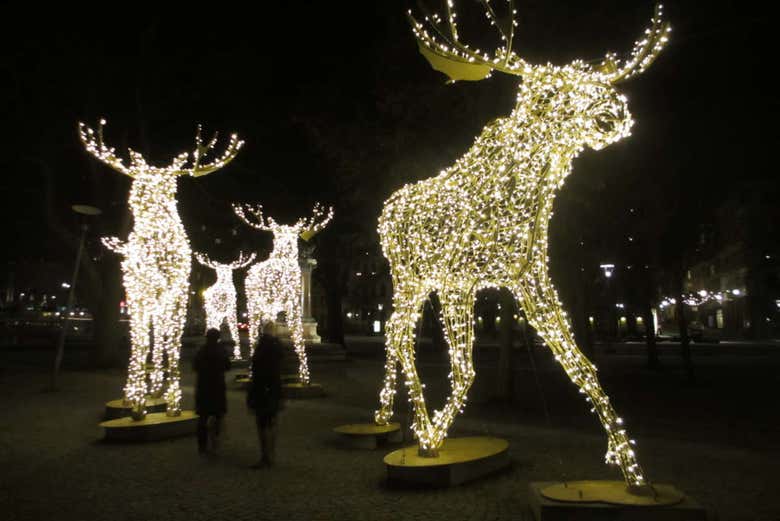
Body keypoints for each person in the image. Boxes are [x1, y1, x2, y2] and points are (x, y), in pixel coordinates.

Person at [247, 323, 284, 468]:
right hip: (274, 389)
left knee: (262, 424)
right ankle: (271, 454)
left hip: (262, 390)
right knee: (272, 422)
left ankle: (265, 456)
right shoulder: (278, 346)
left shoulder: (261, 346)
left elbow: (256, 371)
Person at [193, 328, 231, 454]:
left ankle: (202, 445)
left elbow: (195, 366)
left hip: (204, 387)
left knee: (202, 418)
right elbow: (228, 366)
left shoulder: (201, 351)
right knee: (217, 416)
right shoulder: (221, 351)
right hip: (217, 387)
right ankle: (215, 442)